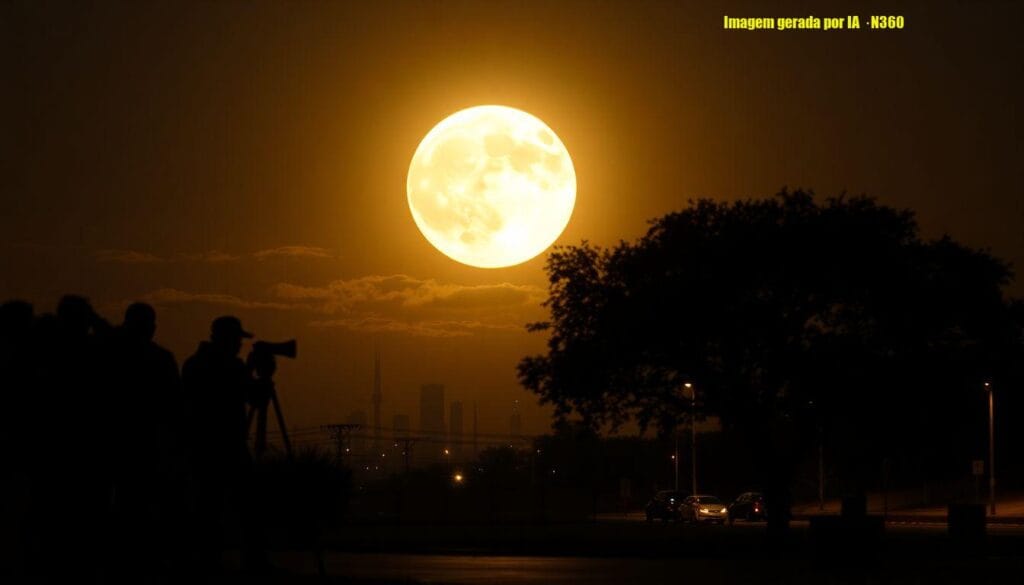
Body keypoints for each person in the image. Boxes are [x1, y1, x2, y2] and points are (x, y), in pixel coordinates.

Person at [182, 315, 268, 573]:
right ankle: (232, 561)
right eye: (236, 340)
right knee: (233, 505)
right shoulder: (219, 367)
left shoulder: (196, 364)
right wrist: (252, 373)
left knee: (212, 505)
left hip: (209, 445)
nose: (239, 345)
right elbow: (250, 396)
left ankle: (210, 561)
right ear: (225, 339)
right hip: (221, 445)